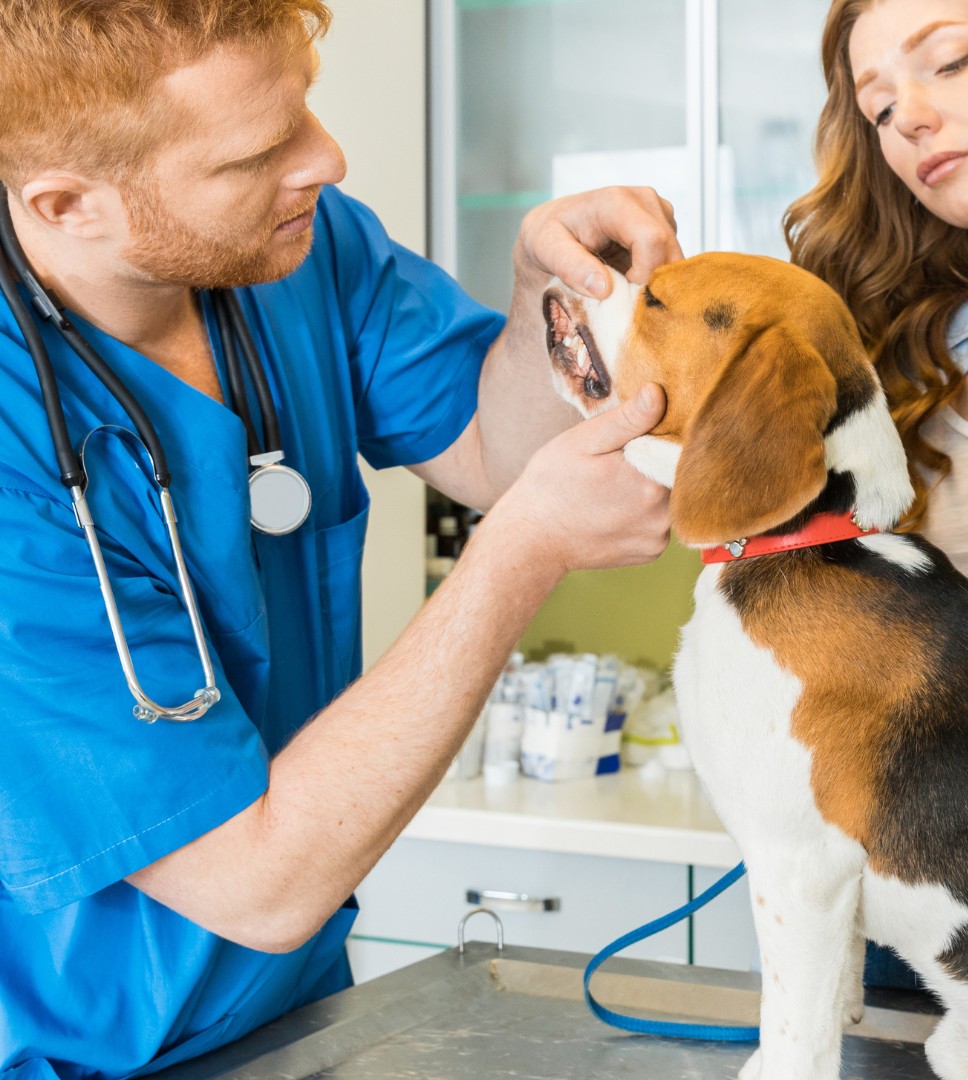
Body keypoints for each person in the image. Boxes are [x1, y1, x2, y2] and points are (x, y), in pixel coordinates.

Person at [0, 2, 682, 1076]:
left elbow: (490, 453)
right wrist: (525, 551)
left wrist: (550, 305)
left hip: (301, 1011)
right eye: (260, 150)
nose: (327, 156)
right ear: (66, 202)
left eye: (303, 111)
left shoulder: (300, 249)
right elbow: (255, 882)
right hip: (83, 1056)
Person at [783, 0, 968, 990]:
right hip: (932, 950)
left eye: (947, 62)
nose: (905, 117)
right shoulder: (901, 364)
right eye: (876, 106)